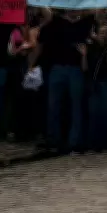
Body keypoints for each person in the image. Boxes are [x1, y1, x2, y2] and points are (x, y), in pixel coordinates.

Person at [35, 8, 95, 154]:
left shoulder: (84, 23)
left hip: (76, 69)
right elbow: (45, 11)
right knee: (53, 105)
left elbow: (95, 11)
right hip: (57, 68)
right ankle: (53, 139)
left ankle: (74, 142)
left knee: (76, 107)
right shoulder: (56, 21)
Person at [83, 22, 107, 153]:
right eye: (101, 33)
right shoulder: (91, 48)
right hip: (94, 83)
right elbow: (85, 68)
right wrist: (83, 55)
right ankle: (94, 144)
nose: (103, 36)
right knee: (94, 114)